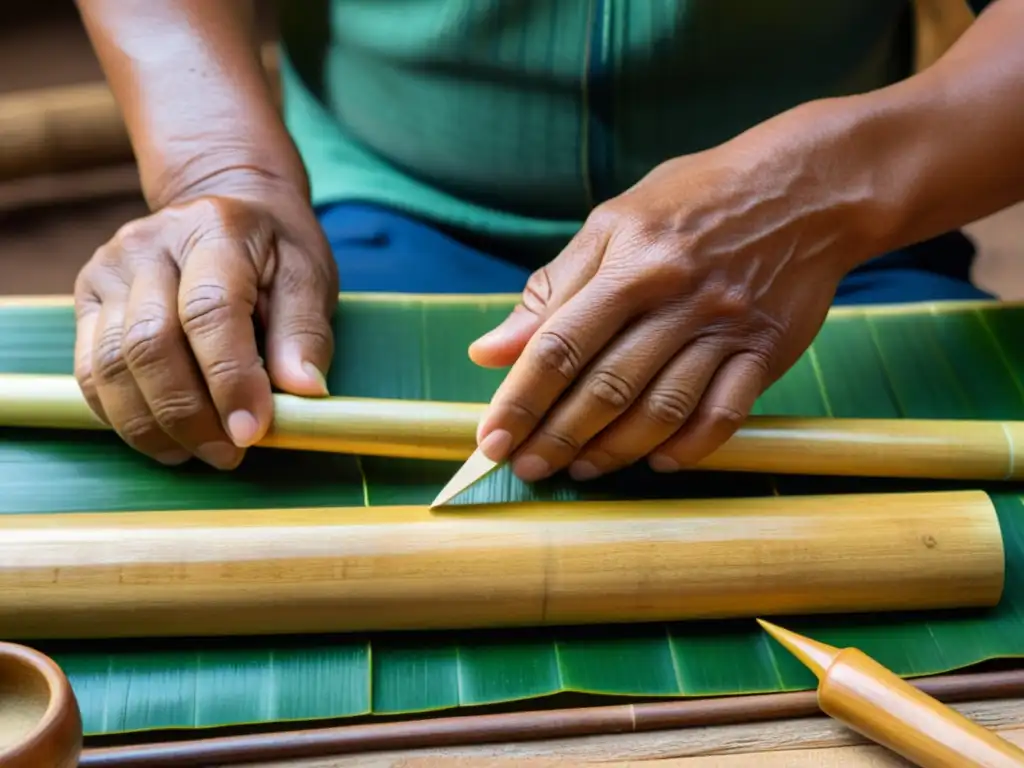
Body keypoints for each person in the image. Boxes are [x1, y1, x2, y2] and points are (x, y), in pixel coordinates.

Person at [71, 0, 1023, 483]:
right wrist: (222, 171)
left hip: (837, 234)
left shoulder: (831, 211)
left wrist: (828, 190)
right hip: (370, 210)